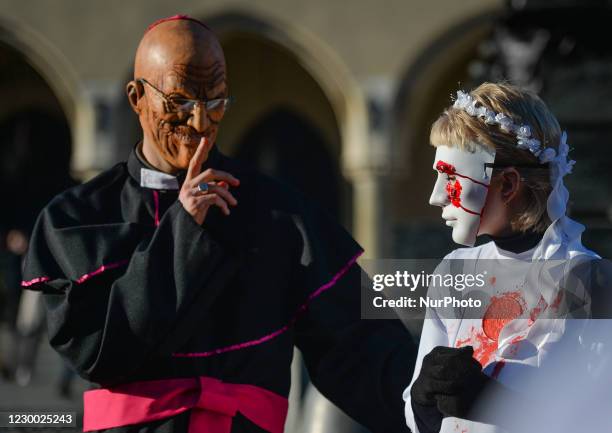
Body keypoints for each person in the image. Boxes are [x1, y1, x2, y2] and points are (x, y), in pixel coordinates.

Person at [21, 15, 415, 433]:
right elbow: (97, 350)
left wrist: (432, 391)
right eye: (181, 103)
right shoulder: (78, 218)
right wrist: (184, 228)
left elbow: (356, 346)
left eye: (216, 102)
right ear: (137, 98)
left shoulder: (276, 212)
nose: (200, 123)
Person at [402, 82, 603, 433]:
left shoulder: (590, 281)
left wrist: (495, 403)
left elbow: (598, 415)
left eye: (450, 178)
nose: (436, 197)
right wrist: (422, 397)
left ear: (508, 185)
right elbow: (418, 419)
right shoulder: (453, 272)